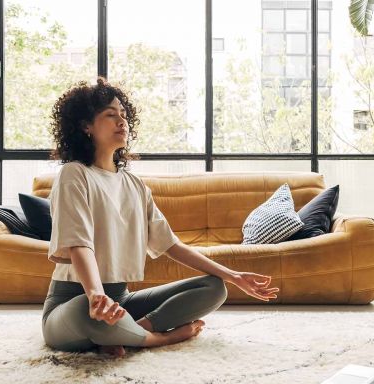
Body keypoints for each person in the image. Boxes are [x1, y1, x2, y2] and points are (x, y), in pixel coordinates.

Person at [42, 77, 279, 358]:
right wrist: (95, 295)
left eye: (124, 115)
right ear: (85, 126)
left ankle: (132, 330)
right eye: (110, 114)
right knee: (87, 312)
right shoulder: (74, 174)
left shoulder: (135, 185)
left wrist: (233, 275)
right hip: (73, 302)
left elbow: (171, 245)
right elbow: (79, 244)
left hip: (121, 300)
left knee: (214, 287)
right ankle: (156, 339)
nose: (122, 121)